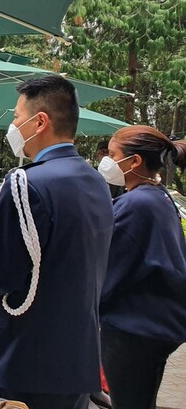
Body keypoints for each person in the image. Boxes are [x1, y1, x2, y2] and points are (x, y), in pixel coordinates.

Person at [0, 75, 113, 409]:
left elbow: (1, 274)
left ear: (40, 122)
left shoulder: (25, 182)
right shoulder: (96, 181)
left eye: (16, 118)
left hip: (23, 355)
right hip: (77, 355)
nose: (13, 126)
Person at [97, 125, 186, 409]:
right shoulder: (159, 197)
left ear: (134, 161)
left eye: (112, 154)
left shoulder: (136, 205)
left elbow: (109, 271)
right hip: (154, 327)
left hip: (132, 333)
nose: (106, 161)